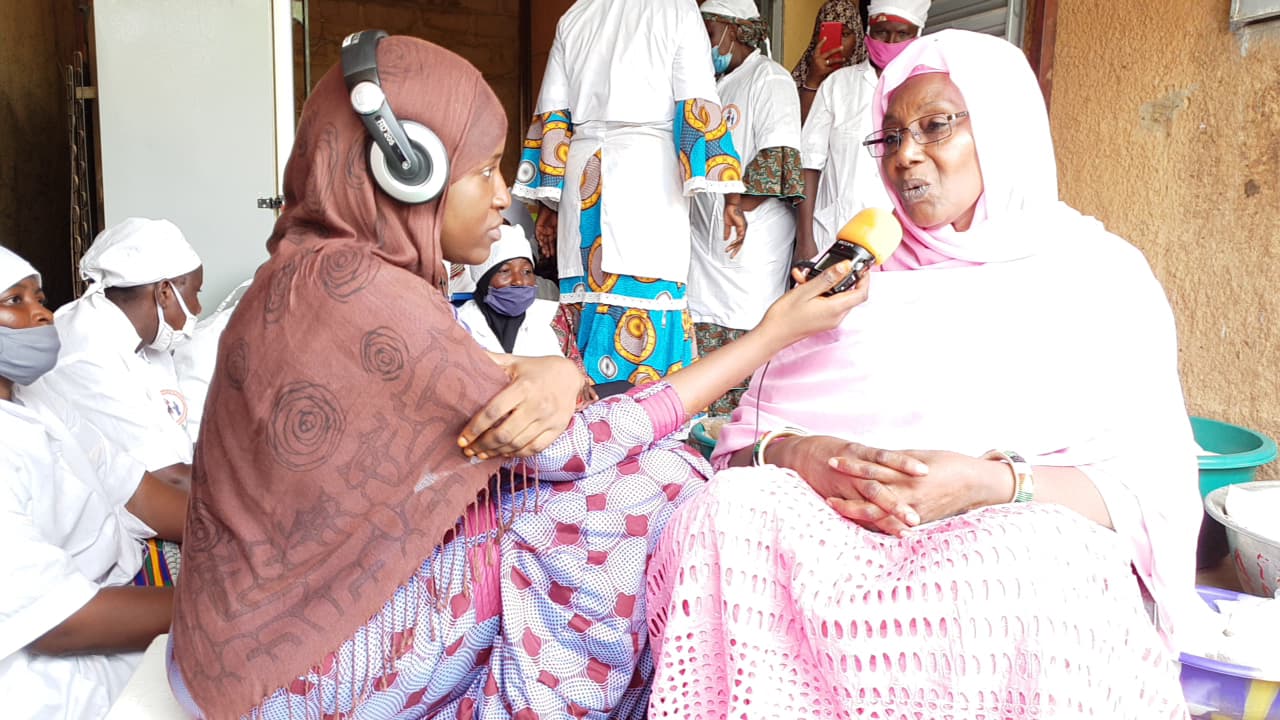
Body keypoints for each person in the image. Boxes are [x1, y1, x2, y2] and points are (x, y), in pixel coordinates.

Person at [167, 34, 864, 720]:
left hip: (233, 650)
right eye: (484, 171)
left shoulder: (311, 272)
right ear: (408, 170)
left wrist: (557, 374)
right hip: (293, 679)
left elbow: (504, 398)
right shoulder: (364, 296)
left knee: (587, 485)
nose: (504, 197)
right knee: (650, 488)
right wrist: (772, 335)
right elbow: (572, 448)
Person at [647, 30, 1201, 718]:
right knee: (725, 515)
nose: (907, 154)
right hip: (843, 534)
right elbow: (747, 441)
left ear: (1002, 126)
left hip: (1007, 534)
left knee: (1042, 563)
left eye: (935, 126)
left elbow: (1147, 495)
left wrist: (987, 485)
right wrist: (803, 455)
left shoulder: (1100, 278)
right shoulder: (857, 278)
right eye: (891, 136)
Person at [514, 0, 746, 389]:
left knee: (587, 302)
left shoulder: (575, 15)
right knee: (649, 300)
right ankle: (645, 423)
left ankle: (589, 421)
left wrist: (548, 203)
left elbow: (553, 113)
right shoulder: (676, 10)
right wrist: (729, 195)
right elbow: (696, 106)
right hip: (647, 177)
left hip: (583, 178)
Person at [0, 246, 187, 720]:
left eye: (38, 298)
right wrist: (217, 604)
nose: (41, 314)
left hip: (122, 580)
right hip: (61, 666)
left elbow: (137, 490)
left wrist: (252, 537)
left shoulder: (34, 396)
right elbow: (62, 623)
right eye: (14, 302)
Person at [18, 217, 203, 490]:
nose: (198, 308)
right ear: (164, 292)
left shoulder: (147, 342)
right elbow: (167, 478)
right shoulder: (87, 350)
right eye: (195, 293)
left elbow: (177, 444)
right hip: (120, 518)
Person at [688, 0, 803, 416]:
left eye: (706, 26)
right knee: (702, 365)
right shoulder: (715, 84)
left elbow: (778, 159)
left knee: (743, 361)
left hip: (747, 246)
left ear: (731, 28)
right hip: (705, 249)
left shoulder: (768, 79)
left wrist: (736, 203)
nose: (700, 37)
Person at [796, 0, 930, 261]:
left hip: (901, 242)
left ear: (918, 35)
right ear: (868, 31)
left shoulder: (928, 88)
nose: (890, 40)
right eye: (882, 31)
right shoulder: (838, 85)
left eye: (902, 33)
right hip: (834, 233)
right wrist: (804, 239)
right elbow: (809, 163)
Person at [457, 224, 587, 377]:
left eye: (527, 272)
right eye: (505, 271)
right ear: (484, 279)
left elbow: (577, 379)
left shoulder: (553, 316)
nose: (518, 281)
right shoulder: (458, 324)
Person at [792, 0, 867, 122]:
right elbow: (800, 127)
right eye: (828, 33)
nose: (837, 43)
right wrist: (812, 81)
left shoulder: (869, 78)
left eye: (844, 34)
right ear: (816, 37)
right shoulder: (800, 76)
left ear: (857, 37)